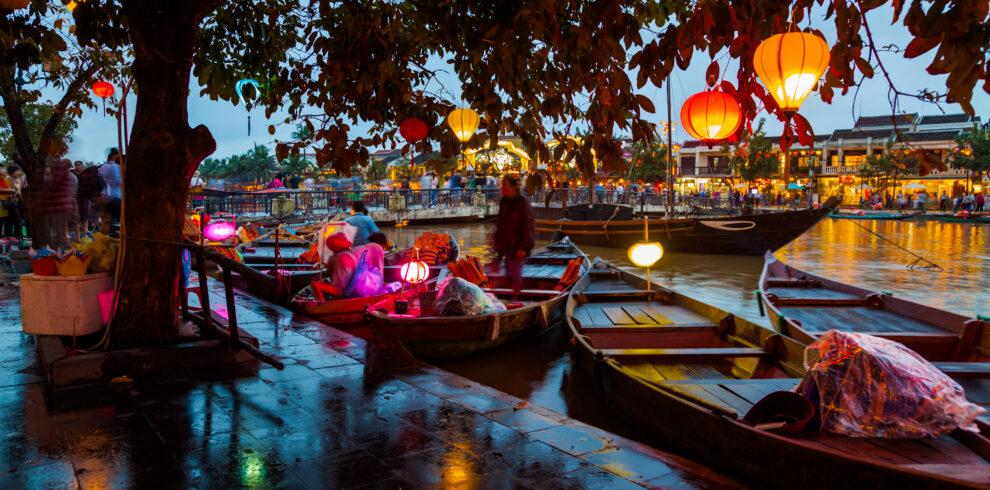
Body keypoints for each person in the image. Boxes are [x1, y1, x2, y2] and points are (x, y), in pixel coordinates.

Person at [493, 175, 535, 293]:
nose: (502, 188)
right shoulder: (504, 202)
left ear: (512, 187)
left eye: (504, 185)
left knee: (514, 274)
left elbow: (528, 226)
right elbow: (500, 224)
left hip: (518, 248)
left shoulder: (522, 203)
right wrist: (497, 243)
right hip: (505, 246)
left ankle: (517, 298)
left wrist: (524, 247)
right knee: (506, 273)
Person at [98, 149, 122, 232]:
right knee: (121, 221)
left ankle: (103, 241)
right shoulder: (116, 167)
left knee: (106, 221)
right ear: (115, 156)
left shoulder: (103, 167)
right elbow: (119, 182)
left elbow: (100, 181)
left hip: (106, 198)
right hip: (116, 197)